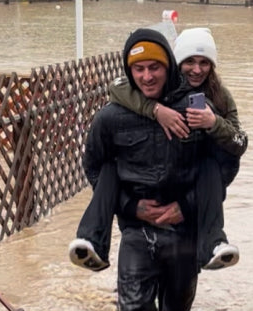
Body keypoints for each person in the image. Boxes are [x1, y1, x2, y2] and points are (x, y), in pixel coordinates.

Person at [69, 27, 248, 272]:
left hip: (194, 191)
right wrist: (156, 110)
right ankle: (93, 244)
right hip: (147, 190)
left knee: (209, 167)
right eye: (189, 62)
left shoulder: (220, 97)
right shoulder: (161, 86)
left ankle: (214, 244)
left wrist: (214, 123)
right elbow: (118, 88)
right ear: (175, 64)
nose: (197, 70)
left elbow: (238, 145)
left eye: (204, 62)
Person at [71, 27, 209, 311]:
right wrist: (131, 207)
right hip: (136, 231)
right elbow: (94, 168)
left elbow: (220, 168)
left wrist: (185, 206)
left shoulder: (196, 105)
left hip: (185, 231)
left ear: (168, 67)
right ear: (129, 71)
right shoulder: (110, 116)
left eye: (155, 67)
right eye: (139, 69)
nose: (147, 77)